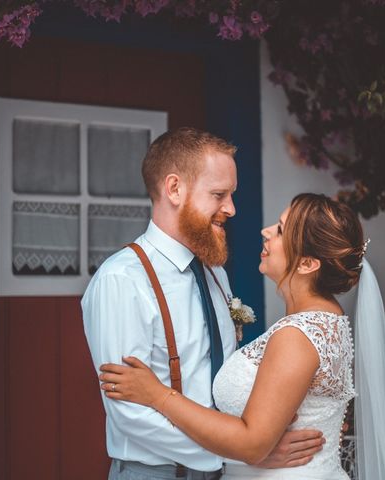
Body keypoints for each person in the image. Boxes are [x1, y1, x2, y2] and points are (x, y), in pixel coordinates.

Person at [99, 193, 385, 480]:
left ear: (308, 263)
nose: (265, 231)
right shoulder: (326, 322)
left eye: (282, 231)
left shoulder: (298, 335)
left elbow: (252, 444)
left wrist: (157, 395)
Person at [82, 128, 326, 480]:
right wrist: (243, 453)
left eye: (231, 195)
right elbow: (130, 415)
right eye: (218, 194)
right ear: (174, 189)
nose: (231, 208)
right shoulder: (122, 280)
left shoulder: (214, 273)